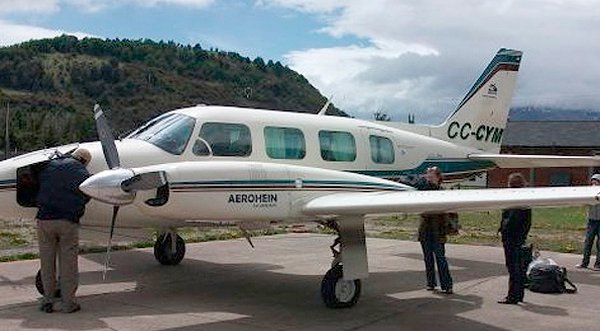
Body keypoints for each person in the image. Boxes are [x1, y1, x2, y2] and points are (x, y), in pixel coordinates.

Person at [36, 148, 91, 313]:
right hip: (68, 221)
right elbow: (87, 194)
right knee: (68, 264)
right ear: (83, 160)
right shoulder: (82, 171)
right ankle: (68, 304)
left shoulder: (50, 165)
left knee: (47, 262)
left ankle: (47, 301)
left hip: (44, 219)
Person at [418, 166, 453, 294]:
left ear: (438, 178)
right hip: (425, 229)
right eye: (427, 176)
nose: (428, 178)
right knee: (428, 258)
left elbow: (448, 212)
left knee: (440, 257)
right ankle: (431, 283)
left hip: (438, 230)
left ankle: (447, 285)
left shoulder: (442, 192)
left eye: (431, 176)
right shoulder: (422, 190)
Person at [498, 172, 532, 304]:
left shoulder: (515, 200)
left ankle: (512, 296)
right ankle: (518, 295)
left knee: (513, 267)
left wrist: (503, 229)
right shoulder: (524, 199)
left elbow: (511, 220)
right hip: (519, 237)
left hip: (512, 238)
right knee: (518, 267)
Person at [576, 174, 600, 270]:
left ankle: (598, 264)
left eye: (596, 182)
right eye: (592, 182)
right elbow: (584, 202)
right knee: (588, 242)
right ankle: (584, 263)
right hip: (591, 221)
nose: (594, 184)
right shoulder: (589, 193)